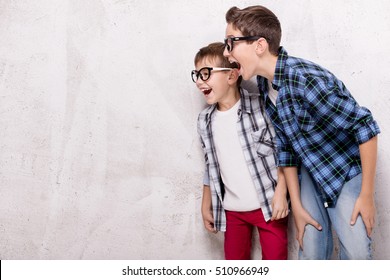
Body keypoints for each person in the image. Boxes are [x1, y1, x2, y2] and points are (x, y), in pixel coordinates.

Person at [222, 5, 380, 260]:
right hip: (309, 173)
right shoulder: (265, 83)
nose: (226, 53)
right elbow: (286, 146)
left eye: (231, 42)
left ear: (259, 45)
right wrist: (296, 202)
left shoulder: (304, 79)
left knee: (357, 257)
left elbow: (365, 127)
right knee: (311, 253)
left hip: (344, 172)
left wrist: (366, 195)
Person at [193, 42, 289, 260]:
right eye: (196, 75)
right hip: (232, 212)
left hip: (269, 206)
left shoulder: (261, 107)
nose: (199, 81)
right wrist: (205, 203)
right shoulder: (204, 120)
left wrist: (282, 193)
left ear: (231, 75)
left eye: (206, 74)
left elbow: (284, 149)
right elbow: (210, 164)